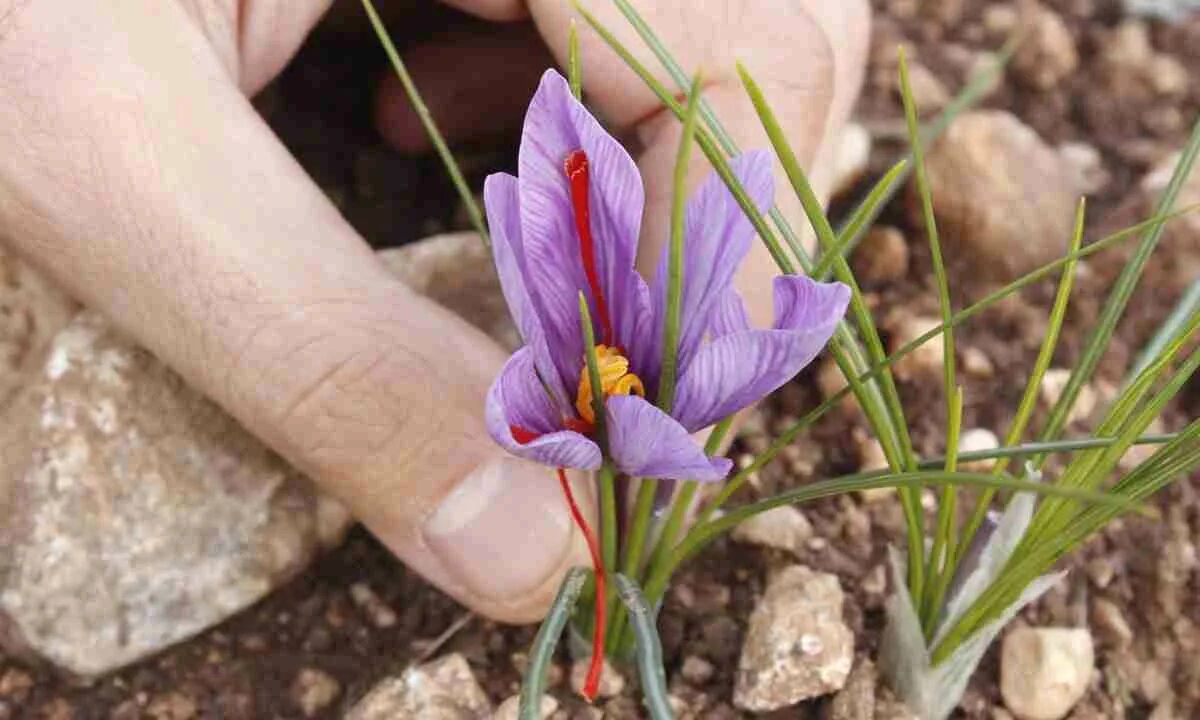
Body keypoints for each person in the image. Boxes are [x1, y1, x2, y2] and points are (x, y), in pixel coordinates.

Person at [0, 0, 868, 623]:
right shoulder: (557, 404)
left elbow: (784, 318)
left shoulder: (618, 401)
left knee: (705, 256)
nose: (620, 387)